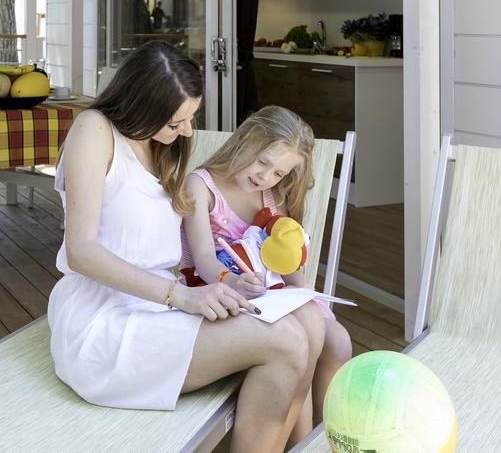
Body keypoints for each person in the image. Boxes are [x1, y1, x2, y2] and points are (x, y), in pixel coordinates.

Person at [47, 41, 326, 453]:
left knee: (300, 328)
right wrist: (183, 297)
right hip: (105, 323)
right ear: (143, 104)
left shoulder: (160, 148)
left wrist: (222, 283)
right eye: (178, 121)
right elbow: (81, 252)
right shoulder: (95, 129)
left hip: (159, 309)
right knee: (285, 342)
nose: (189, 132)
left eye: (191, 118)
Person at [180, 105, 353, 443]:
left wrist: (303, 287)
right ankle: (295, 440)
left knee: (339, 340)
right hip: (221, 290)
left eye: (278, 172)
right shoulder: (201, 186)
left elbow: (287, 266)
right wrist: (232, 280)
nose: (265, 176)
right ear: (245, 139)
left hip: (273, 293)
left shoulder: (272, 195)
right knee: (309, 332)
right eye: (262, 162)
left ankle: (319, 438)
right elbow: (202, 259)